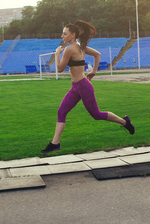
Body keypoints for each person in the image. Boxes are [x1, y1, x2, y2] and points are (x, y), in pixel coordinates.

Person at [41, 20, 134, 154]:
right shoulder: (81, 46)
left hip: (83, 87)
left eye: (64, 34)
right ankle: (55, 143)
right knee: (61, 112)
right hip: (76, 87)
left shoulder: (69, 49)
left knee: (96, 114)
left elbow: (60, 68)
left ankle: (125, 122)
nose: (62, 36)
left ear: (72, 35)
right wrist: (94, 71)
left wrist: (57, 54)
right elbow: (98, 54)